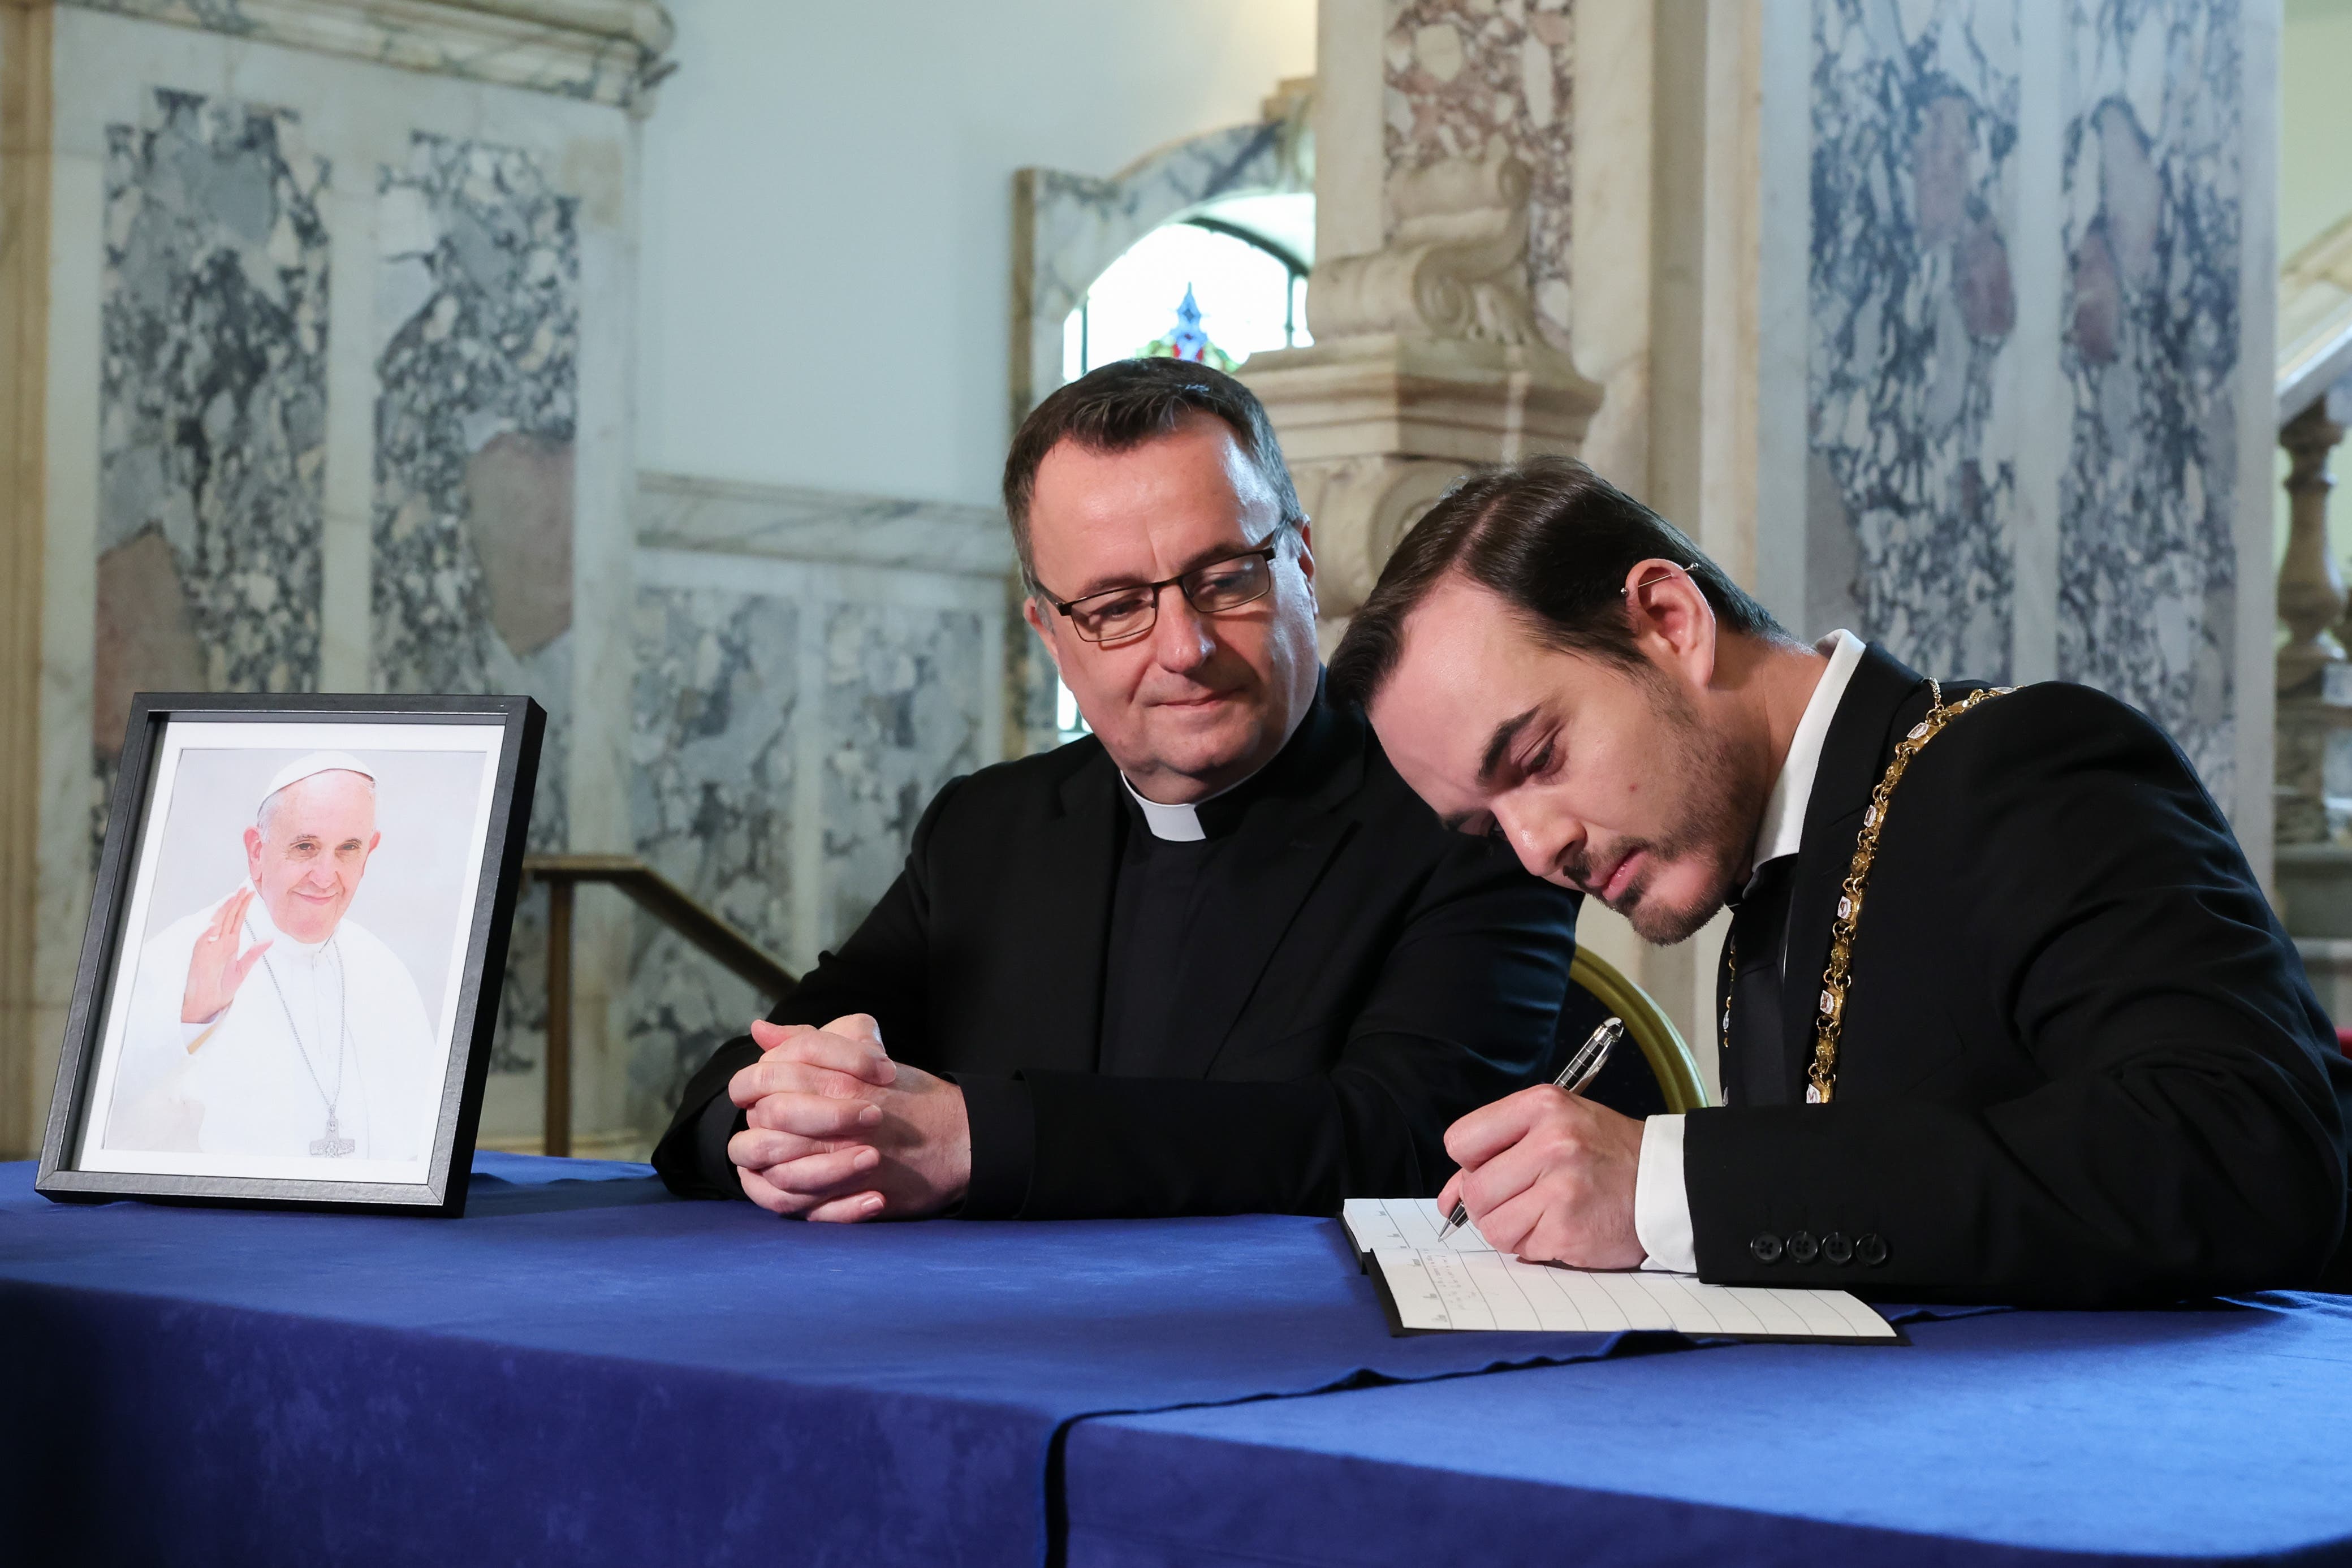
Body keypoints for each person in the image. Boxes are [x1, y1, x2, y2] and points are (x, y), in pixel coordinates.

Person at [1326, 456, 2352, 1305]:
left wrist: (1667, 1182)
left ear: (1667, 617)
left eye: (1537, 756)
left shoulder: (2019, 761)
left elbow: (2245, 1154)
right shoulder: (1761, 875)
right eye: (1483, 822)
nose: (1534, 848)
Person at [651, 359, 1582, 1220]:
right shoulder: (989, 829)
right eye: (1113, 609)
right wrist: (776, 1125)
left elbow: (1408, 1141)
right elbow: (745, 1066)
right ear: (1049, 635)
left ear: (1298, 562)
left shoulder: (1468, 815)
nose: (1183, 649)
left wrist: (980, 1140)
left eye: (1224, 579)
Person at [105, 753, 436, 1161]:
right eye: (305, 846)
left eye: (348, 849)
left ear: (370, 851)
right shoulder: (177, 957)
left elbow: (422, 1144)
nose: (325, 875)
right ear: (257, 850)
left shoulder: (383, 972)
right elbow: (112, 1133)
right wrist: (192, 1021)